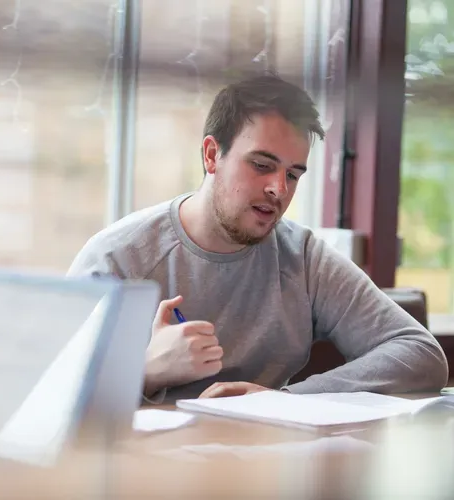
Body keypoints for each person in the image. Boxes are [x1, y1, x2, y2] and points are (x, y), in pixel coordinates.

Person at [68, 73, 449, 403]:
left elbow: (420, 355)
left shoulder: (303, 257)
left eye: (293, 175)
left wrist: (285, 400)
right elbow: (49, 397)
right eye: (262, 166)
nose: (278, 189)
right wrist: (146, 371)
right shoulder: (117, 258)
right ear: (212, 155)